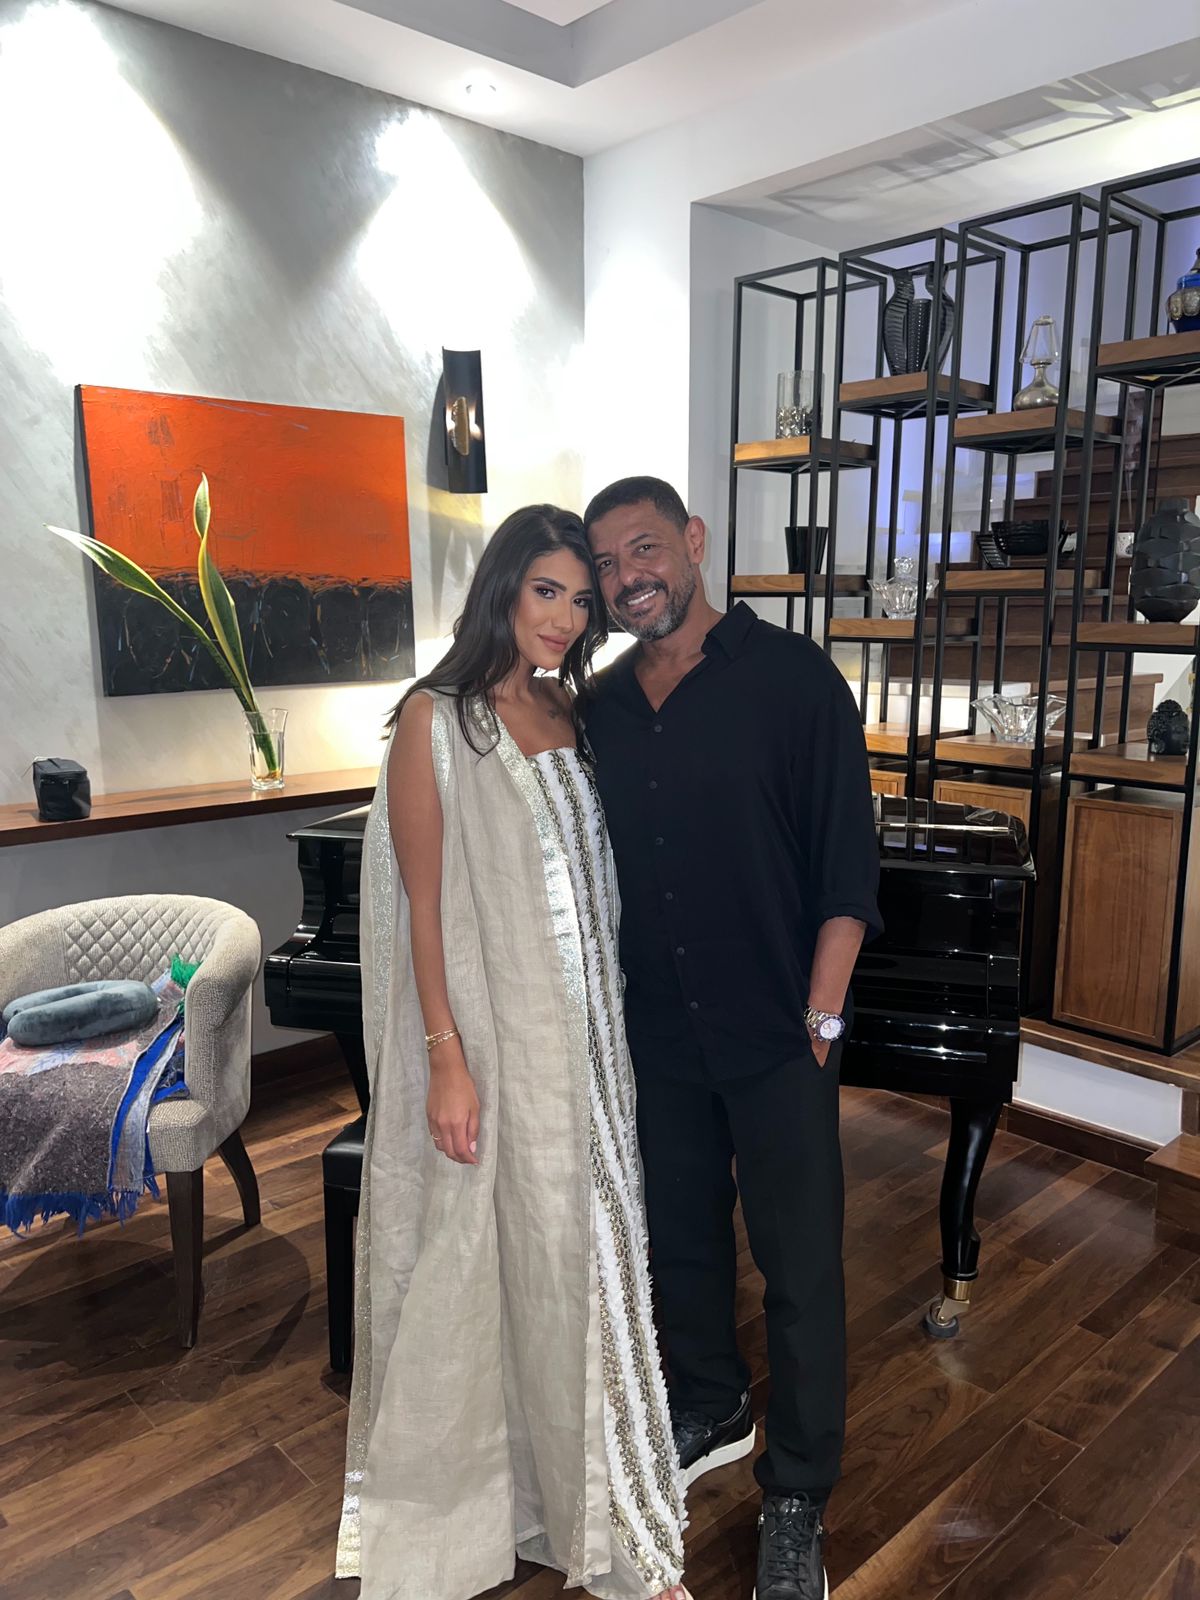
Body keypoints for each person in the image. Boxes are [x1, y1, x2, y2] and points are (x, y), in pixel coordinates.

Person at [336, 504, 691, 1600]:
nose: (567, 617)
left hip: (592, 1045)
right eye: (548, 591)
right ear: (503, 588)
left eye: (581, 600)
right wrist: (446, 1057)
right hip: (501, 1043)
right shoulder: (435, 721)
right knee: (517, 1255)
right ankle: (560, 1515)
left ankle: (586, 1498)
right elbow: (424, 906)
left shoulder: (565, 708)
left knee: (583, 1254)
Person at [582, 477, 882, 1600]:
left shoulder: (795, 679)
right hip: (660, 1035)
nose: (627, 578)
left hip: (777, 1034)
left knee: (799, 1267)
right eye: (606, 565)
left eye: (644, 549)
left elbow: (847, 862)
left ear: (694, 542)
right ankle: (710, 1402)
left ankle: (797, 1491)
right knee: (683, 1243)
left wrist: (824, 1017)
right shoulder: (602, 709)